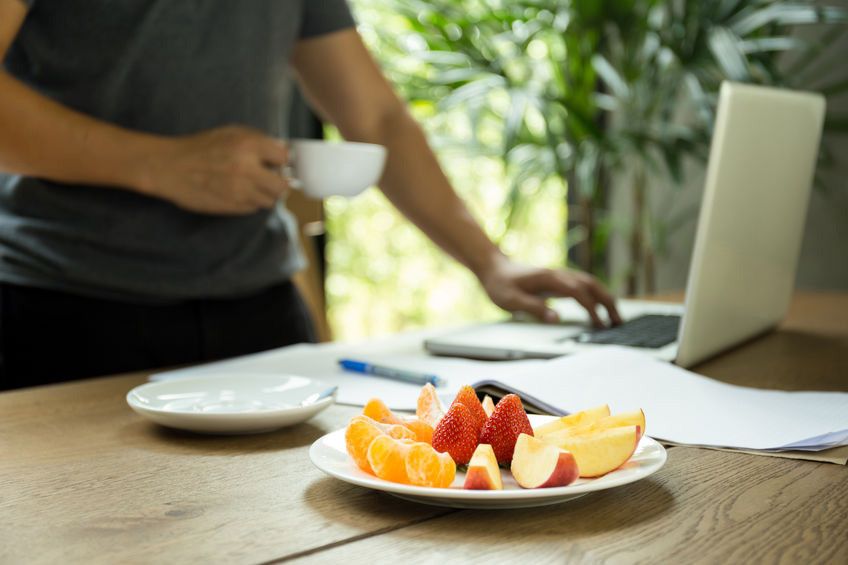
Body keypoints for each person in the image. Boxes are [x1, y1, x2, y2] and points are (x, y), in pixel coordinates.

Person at [0, 0, 621, 391]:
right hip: (60, 316)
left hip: (258, 319)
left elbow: (376, 120)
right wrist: (159, 164)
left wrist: (491, 261)